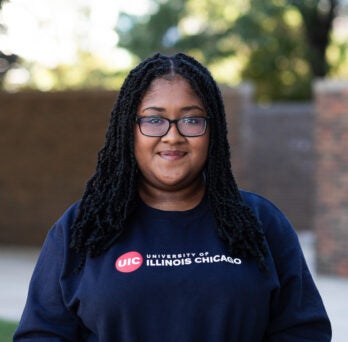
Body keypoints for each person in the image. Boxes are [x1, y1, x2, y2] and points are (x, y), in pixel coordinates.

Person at [14, 52, 331, 341]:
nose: (173, 136)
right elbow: (41, 335)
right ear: (129, 129)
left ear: (213, 131)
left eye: (191, 120)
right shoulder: (80, 228)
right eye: (154, 119)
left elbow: (303, 332)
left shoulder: (261, 222)